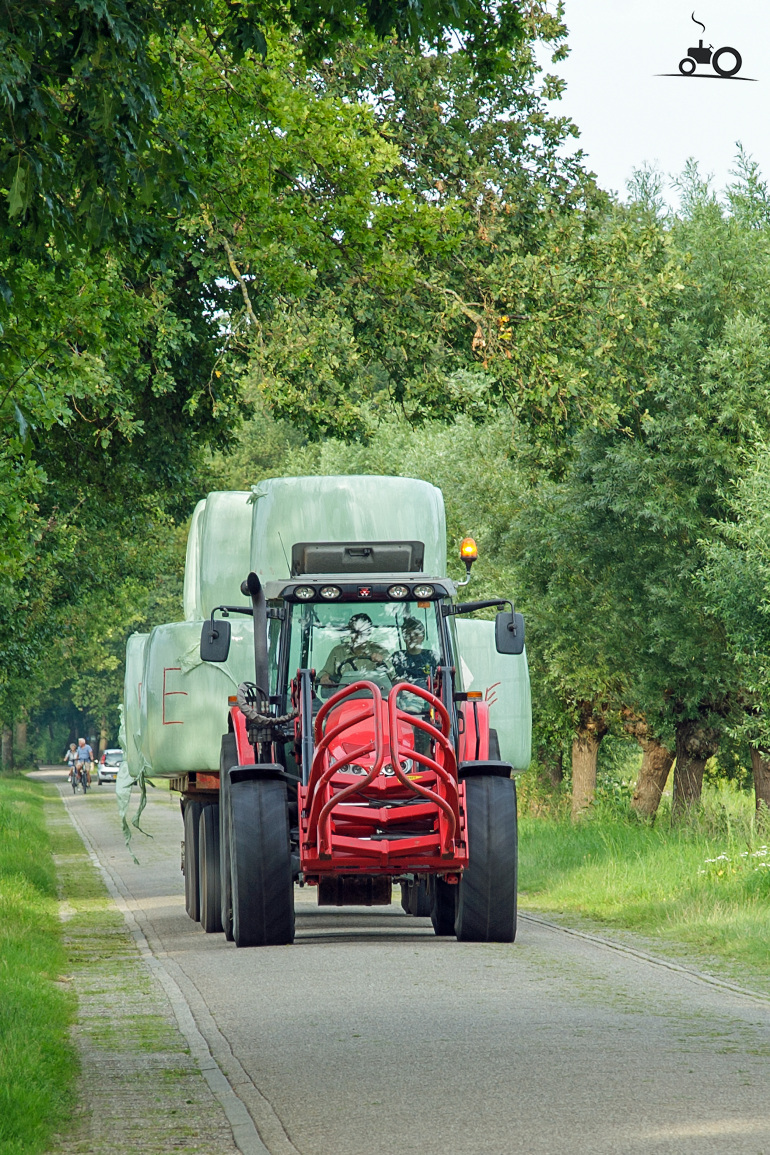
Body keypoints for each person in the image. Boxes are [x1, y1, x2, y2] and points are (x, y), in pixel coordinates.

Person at [318, 614, 391, 689]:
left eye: (362, 631)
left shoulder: (380, 651)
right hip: (344, 697)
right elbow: (324, 673)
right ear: (349, 632)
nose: (358, 635)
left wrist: (381, 663)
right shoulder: (338, 651)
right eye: (354, 631)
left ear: (369, 632)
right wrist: (324, 676)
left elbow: (393, 678)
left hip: (374, 697)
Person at [392, 617, 438, 689]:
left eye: (416, 634)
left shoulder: (432, 657)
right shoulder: (398, 658)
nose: (412, 638)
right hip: (403, 697)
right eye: (408, 634)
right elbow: (391, 678)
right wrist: (398, 681)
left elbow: (440, 681)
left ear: (423, 637)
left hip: (429, 697)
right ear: (403, 638)